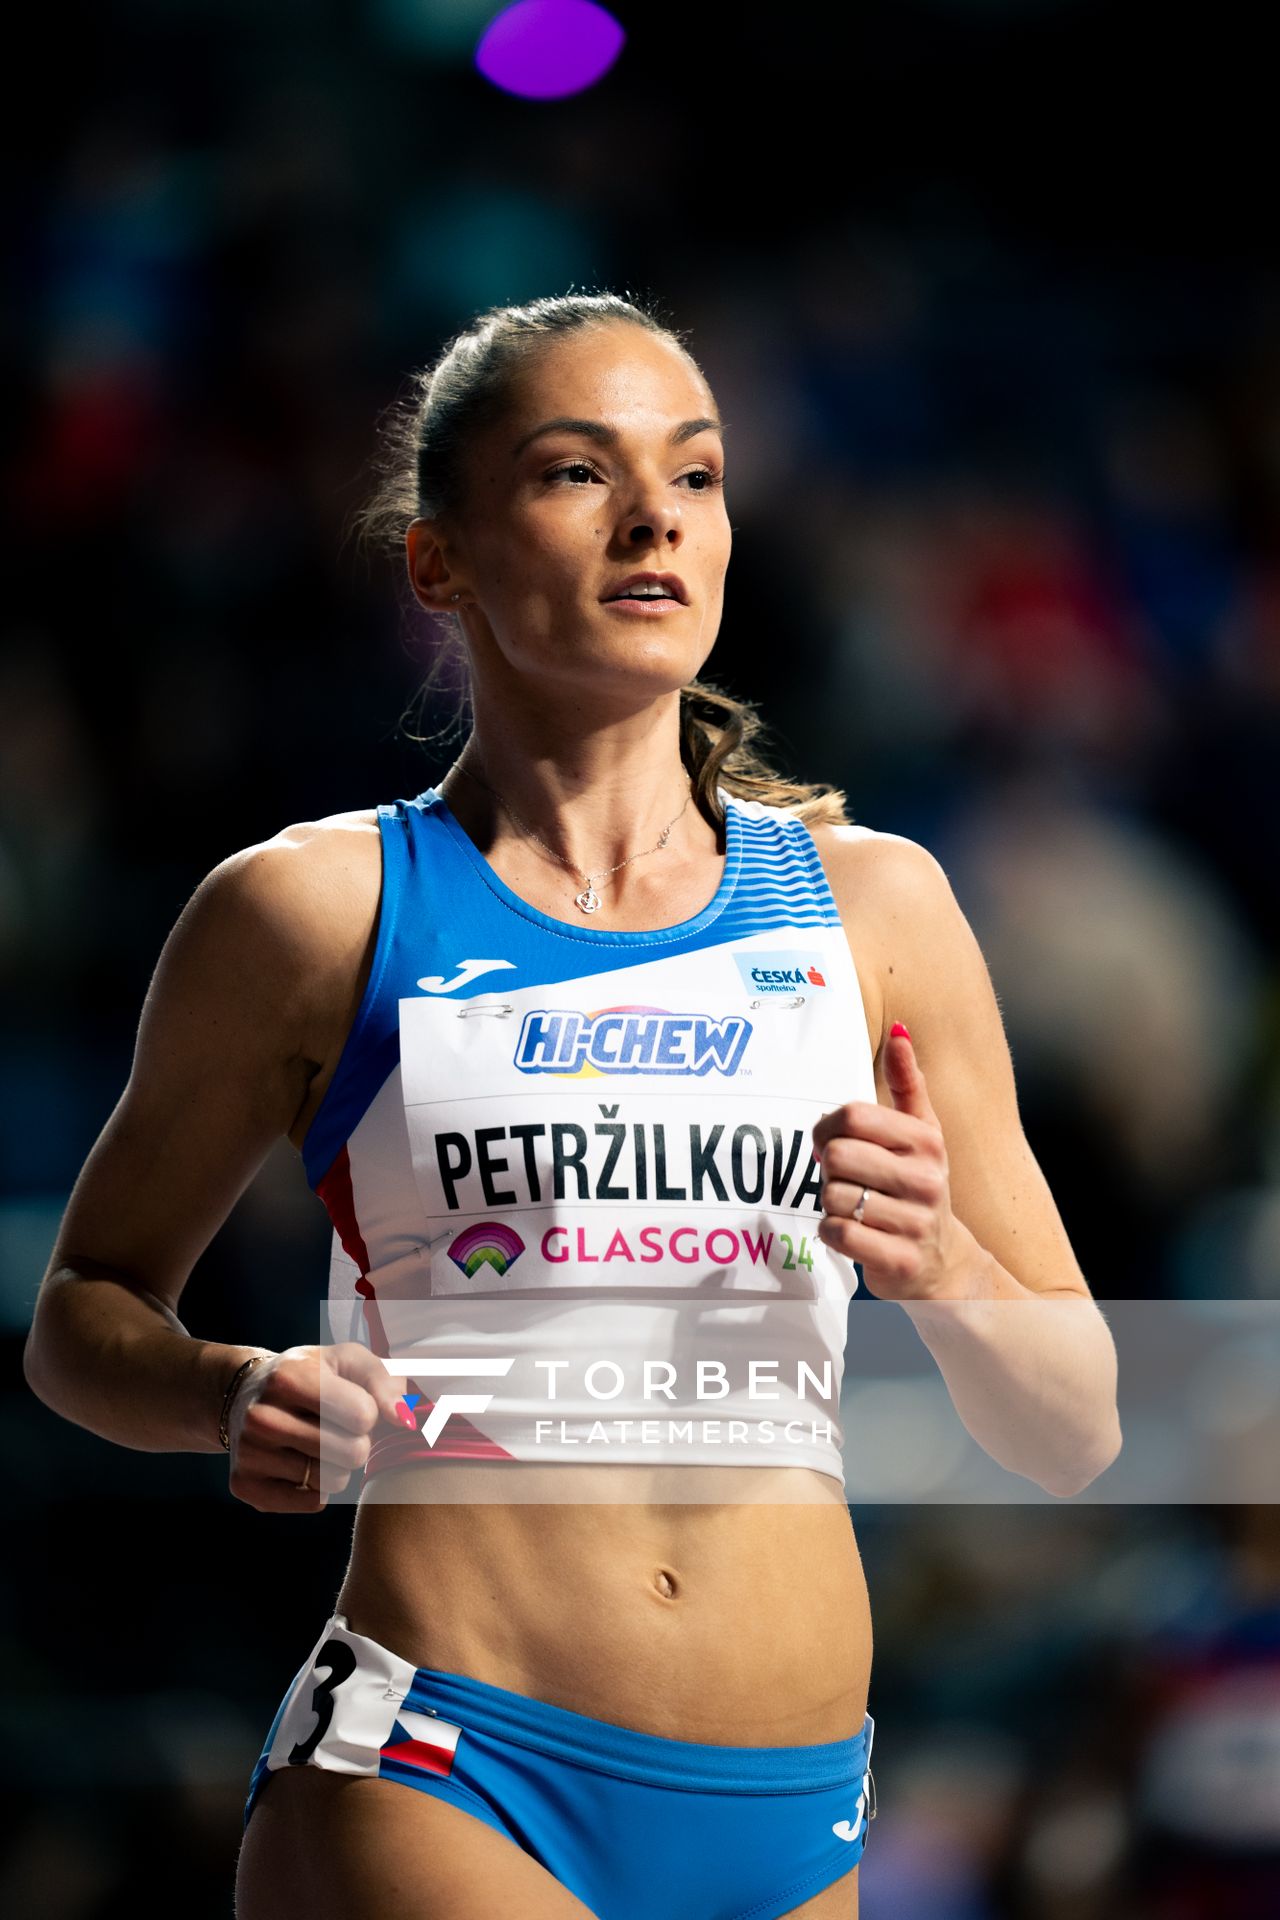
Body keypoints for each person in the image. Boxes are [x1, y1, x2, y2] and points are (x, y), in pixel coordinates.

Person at [23, 292, 1122, 1920]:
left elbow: (1079, 1426)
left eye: (695, 476)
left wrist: (944, 1261)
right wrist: (224, 1392)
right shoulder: (313, 912)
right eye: (572, 473)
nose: (653, 518)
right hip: (447, 1764)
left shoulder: (875, 910)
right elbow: (79, 1314)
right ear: (438, 562)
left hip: (797, 1807)